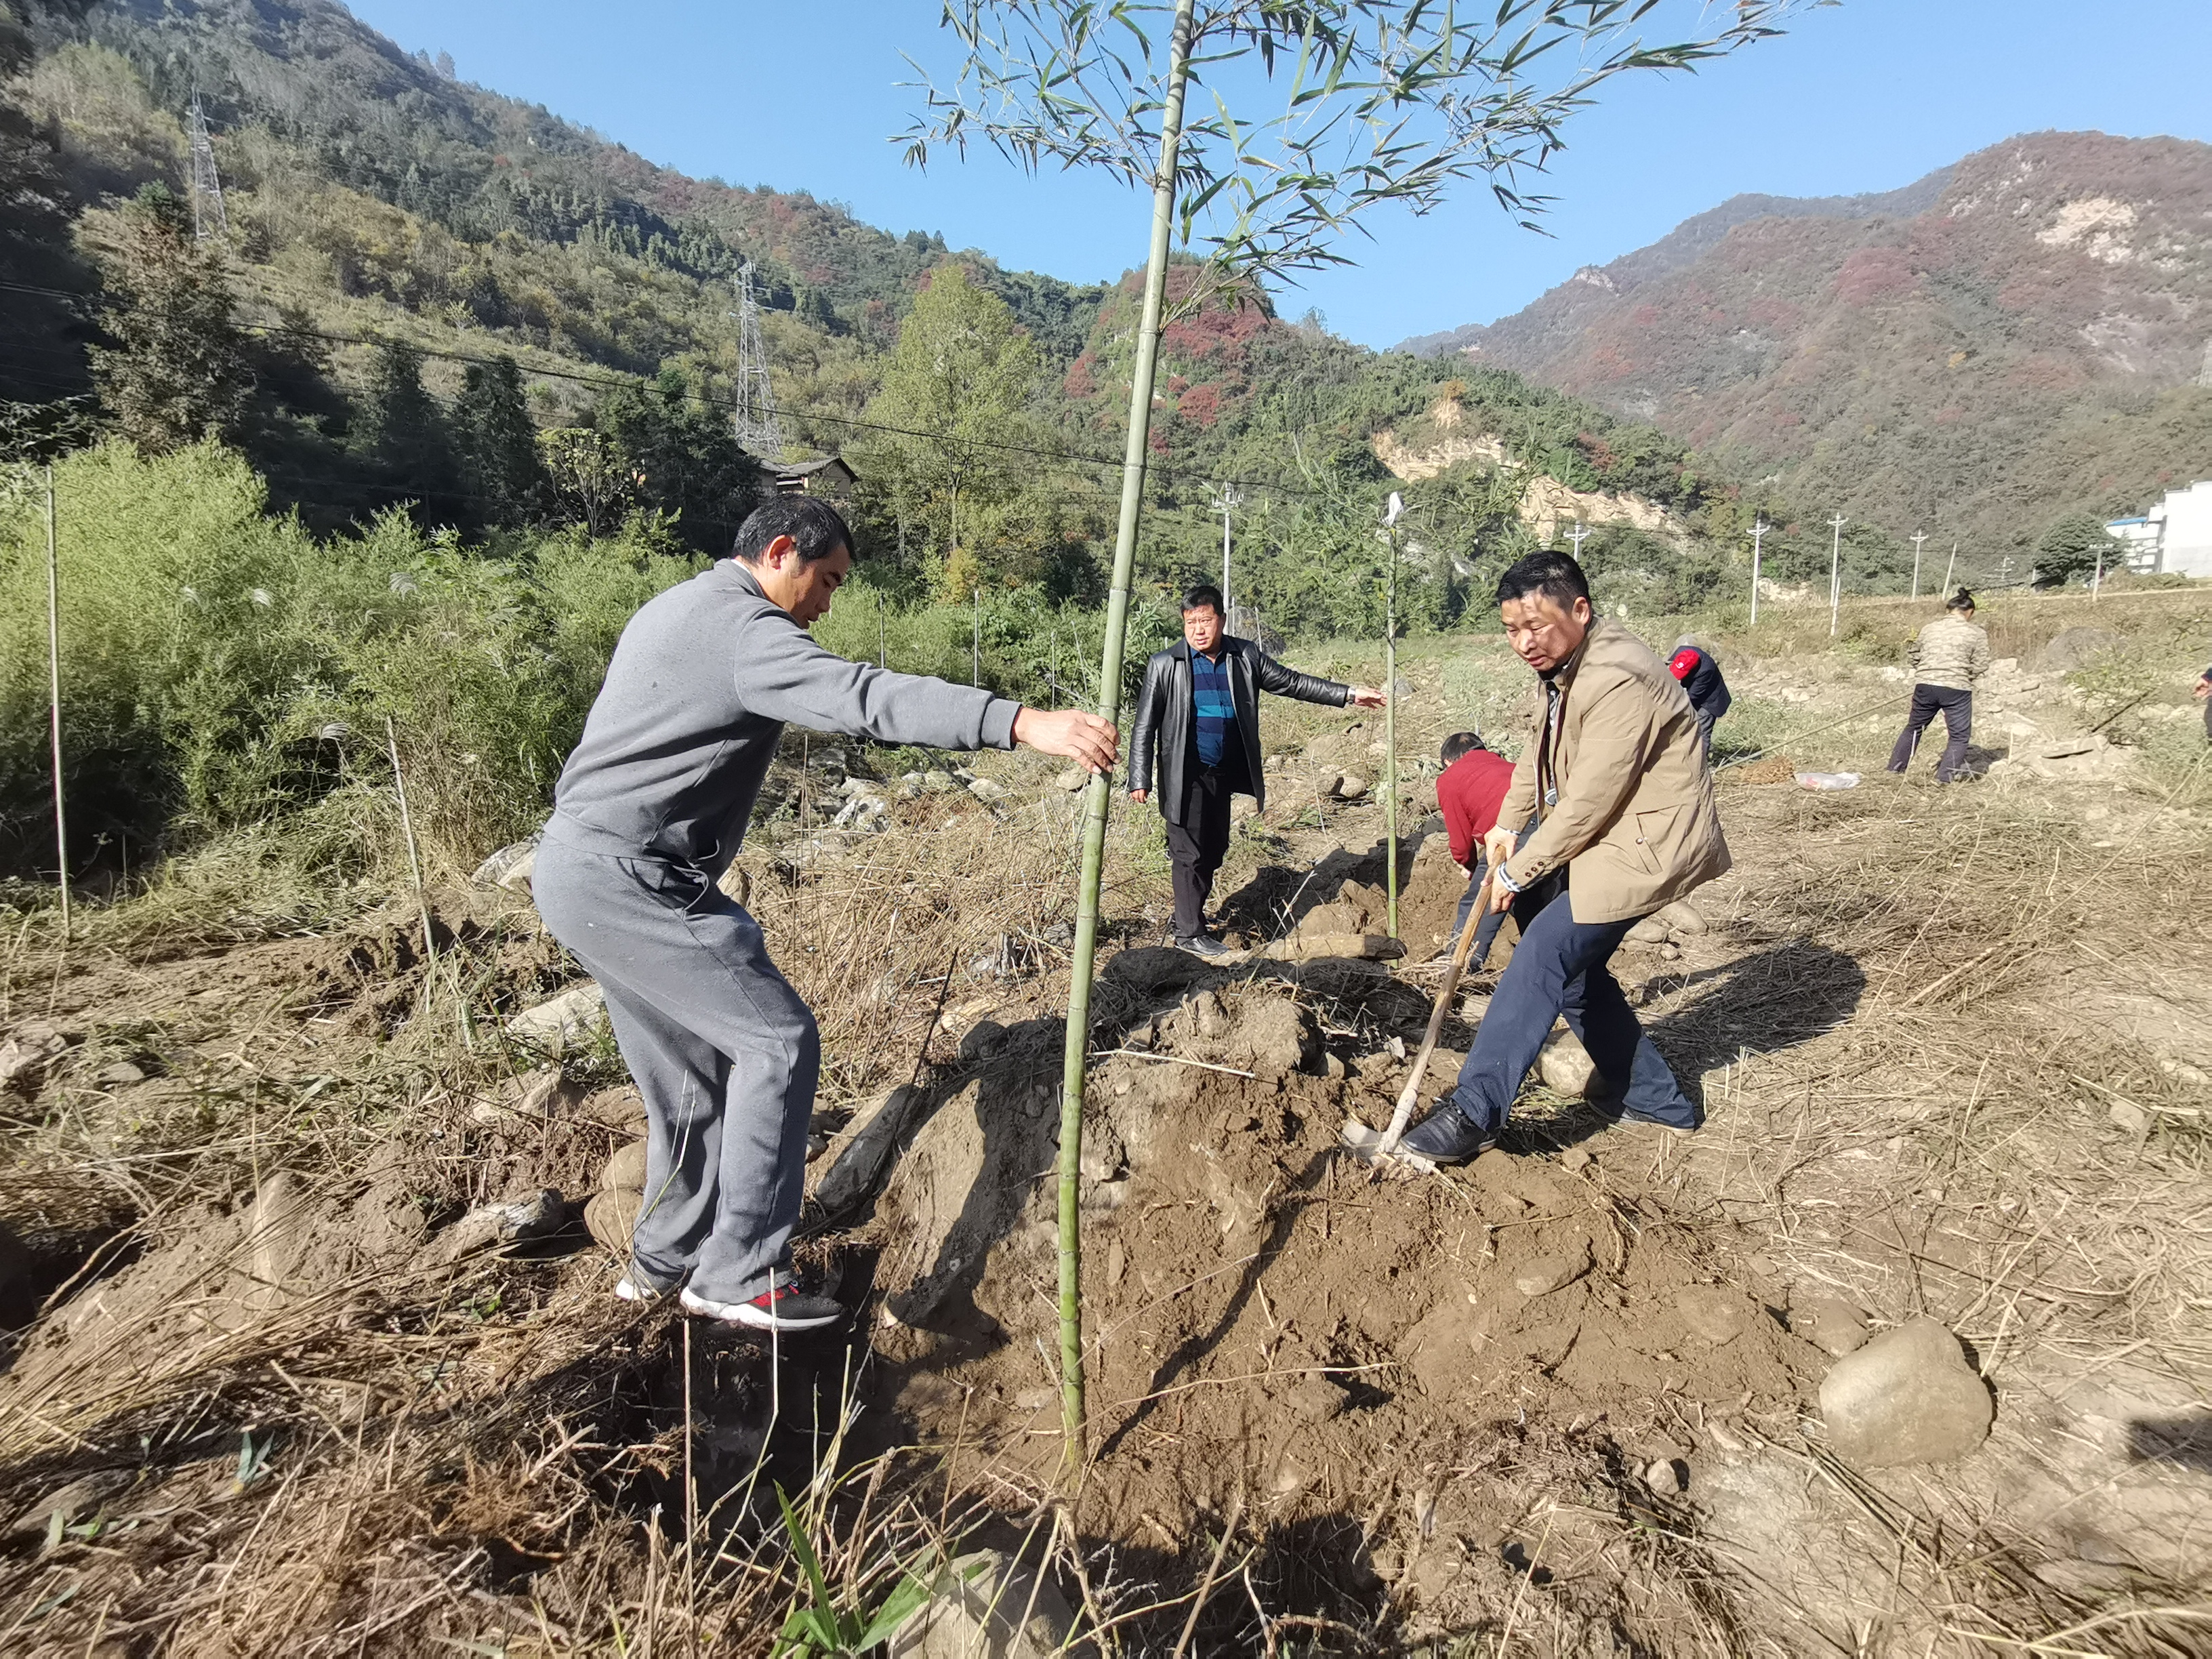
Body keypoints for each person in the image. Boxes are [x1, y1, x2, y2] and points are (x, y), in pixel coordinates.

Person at [530, 497, 1117, 1330]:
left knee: (690, 1084)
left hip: (580, 871)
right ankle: (739, 1274)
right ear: (780, 553)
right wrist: (1020, 723)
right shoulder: (744, 630)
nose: (828, 603)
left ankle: (660, 1266)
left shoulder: (678, 605)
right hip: (633, 877)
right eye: (828, 580)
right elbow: (862, 697)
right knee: (775, 1041)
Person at [1399, 552, 1729, 1164]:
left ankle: (1474, 1112)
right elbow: (1537, 751)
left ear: (1580, 609)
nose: (1523, 642)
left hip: (1646, 845)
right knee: (1574, 973)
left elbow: (1588, 802)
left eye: (1536, 627)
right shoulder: (1568, 667)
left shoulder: (1616, 676)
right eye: (1511, 630)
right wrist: (1504, 826)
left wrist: (1514, 871)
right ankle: (1657, 1099)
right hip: (1613, 837)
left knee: (1546, 949)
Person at [1128, 584, 1383, 957]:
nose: (1199, 629)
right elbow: (1144, 725)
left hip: (1223, 772)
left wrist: (1346, 694)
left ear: (1222, 620)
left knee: (1214, 850)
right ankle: (1188, 934)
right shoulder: (1166, 665)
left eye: (1206, 620)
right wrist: (1140, 776)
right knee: (1188, 853)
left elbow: (1292, 682)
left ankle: (1188, 915)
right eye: (1191, 622)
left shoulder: (1243, 656)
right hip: (1185, 775)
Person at [1886, 588, 1990, 783]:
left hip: (1925, 686)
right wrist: (1965, 675)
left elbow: (1914, 655)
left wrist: (1927, 672)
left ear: (1949, 610)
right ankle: (1944, 779)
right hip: (1957, 689)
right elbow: (1981, 664)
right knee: (1959, 737)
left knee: (1914, 728)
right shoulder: (1976, 633)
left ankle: (1894, 770)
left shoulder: (1929, 629)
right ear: (1970, 612)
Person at [1434, 730, 1517, 957]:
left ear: (1447, 761)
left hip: (1510, 839)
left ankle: (1459, 970)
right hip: (1550, 833)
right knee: (1541, 912)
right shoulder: (1511, 766)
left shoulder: (1450, 778)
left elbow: (1461, 843)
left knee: (1477, 906)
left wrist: (1470, 867)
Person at [1667, 636, 1732, 760]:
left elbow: (1692, 696)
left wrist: (1674, 709)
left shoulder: (1706, 670)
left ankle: (1701, 765)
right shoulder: (1681, 651)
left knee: (1702, 733)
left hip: (1710, 701)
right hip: (1695, 692)